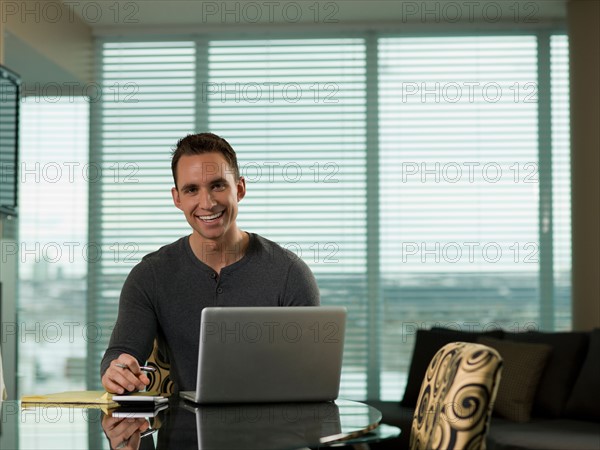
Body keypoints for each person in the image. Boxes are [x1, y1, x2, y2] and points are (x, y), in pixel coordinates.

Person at [100, 133, 320, 394]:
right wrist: (117, 371)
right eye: (192, 189)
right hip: (180, 430)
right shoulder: (150, 275)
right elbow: (121, 353)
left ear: (239, 189)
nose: (207, 203)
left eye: (218, 186)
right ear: (177, 198)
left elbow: (312, 377)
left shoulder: (290, 273)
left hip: (270, 431)